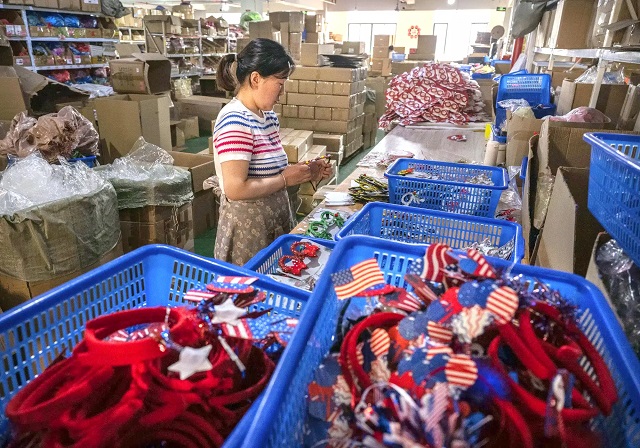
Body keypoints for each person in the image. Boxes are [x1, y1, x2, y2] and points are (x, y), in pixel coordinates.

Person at [213, 38, 332, 265]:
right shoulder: (235, 121)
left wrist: (305, 171)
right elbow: (235, 189)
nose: (282, 92)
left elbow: (268, 170)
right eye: (280, 83)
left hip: (273, 220)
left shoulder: (267, 117)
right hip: (248, 233)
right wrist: (285, 179)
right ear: (256, 79)